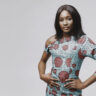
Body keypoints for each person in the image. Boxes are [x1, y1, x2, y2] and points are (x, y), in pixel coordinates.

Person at [38, 4, 96, 96]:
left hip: (72, 93)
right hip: (51, 92)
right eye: (61, 20)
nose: (65, 23)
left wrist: (84, 84)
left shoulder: (83, 42)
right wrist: (42, 76)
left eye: (69, 19)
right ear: (58, 22)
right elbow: (42, 61)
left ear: (75, 20)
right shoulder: (51, 41)